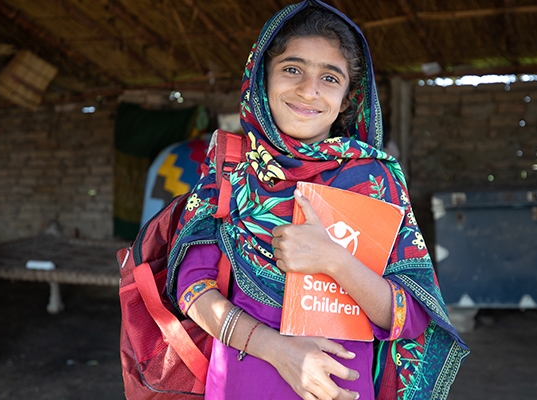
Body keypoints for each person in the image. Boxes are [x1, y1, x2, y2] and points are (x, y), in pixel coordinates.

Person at [166, 1, 468, 399]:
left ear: (347, 98)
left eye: (330, 77)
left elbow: (409, 317)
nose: (309, 90)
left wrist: (332, 259)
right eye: (292, 69)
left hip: (340, 388)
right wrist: (278, 351)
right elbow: (192, 287)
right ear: (261, 78)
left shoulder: (374, 179)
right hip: (245, 382)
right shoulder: (231, 167)